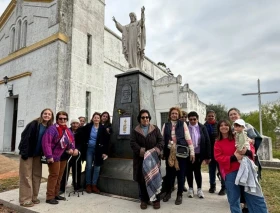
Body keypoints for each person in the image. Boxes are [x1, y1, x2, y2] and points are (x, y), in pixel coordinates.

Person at [214, 119, 268, 213]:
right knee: (233, 198)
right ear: (218, 128)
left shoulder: (238, 136)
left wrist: (246, 152)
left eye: (226, 125)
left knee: (253, 195)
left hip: (245, 171)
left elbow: (251, 149)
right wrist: (233, 158)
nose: (223, 127)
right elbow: (218, 157)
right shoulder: (218, 143)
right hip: (230, 171)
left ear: (229, 126)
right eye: (221, 125)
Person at [228, 107, 263, 212]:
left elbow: (256, 139)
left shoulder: (247, 126)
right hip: (236, 159)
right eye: (231, 115)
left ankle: (249, 204)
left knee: (249, 180)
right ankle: (242, 203)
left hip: (248, 157)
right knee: (239, 181)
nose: (233, 116)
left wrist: (249, 149)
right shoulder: (230, 128)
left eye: (235, 114)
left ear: (239, 115)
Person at [18, 108, 54, 207]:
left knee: (36, 176)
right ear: (42, 114)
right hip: (28, 154)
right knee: (26, 176)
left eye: (49, 114)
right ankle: (25, 199)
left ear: (51, 117)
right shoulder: (34, 124)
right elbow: (24, 137)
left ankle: (34, 197)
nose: (47, 115)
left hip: (38, 155)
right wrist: (24, 152)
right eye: (45, 113)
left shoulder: (49, 127)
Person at [42, 111, 78, 205]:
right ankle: (49, 197)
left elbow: (72, 141)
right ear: (57, 119)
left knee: (60, 176)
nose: (62, 120)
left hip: (63, 156)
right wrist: (49, 156)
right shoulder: (52, 129)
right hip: (54, 156)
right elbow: (46, 143)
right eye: (60, 118)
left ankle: (56, 194)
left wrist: (72, 149)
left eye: (65, 118)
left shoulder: (67, 130)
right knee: (54, 176)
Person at [130, 109, 164, 210]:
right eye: (143, 117)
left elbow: (161, 141)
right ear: (139, 119)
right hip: (140, 159)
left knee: (155, 178)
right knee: (142, 180)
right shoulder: (135, 130)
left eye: (147, 117)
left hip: (153, 159)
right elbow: (132, 143)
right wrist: (142, 152)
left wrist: (154, 150)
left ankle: (156, 200)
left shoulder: (155, 129)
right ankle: (143, 200)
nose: (145, 119)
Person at [162, 107, 195, 205]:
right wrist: (162, 152)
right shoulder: (166, 125)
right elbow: (162, 139)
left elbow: (188, 138)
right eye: (172, 113)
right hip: (169, 153)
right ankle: (168, 193)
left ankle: (179, 195)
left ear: (179, 115)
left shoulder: (183, 124)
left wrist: (192, 152)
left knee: (181, 175)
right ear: (170, 115)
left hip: (181, 153)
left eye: (176, 113)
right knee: (169, 175)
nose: (174, 115)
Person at [78, 112, 109, 194]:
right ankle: (88, 184)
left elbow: (107, 141)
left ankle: (94, 185)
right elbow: (80, 130)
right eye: (95, 117)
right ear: (92, 118)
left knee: (97, 167)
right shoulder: (88, 126)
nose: (96, 119)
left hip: (99, 150)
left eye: (98, 118)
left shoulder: (102, 128)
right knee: (88, 166)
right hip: (89, 149)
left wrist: (105, 152)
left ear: (100, 119)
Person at [185, 111, 211, 199]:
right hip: (188, 153)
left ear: (197, 119)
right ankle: (190, 189)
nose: (192, 121)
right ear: (188, 119)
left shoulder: (202, 127)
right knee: (189, 171)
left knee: (197, 171)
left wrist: (208, 156)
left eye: (194, 119)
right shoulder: (185, 127)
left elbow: (207, 141)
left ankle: (199, 189)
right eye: (190, 119)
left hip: (198, 153)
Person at [204, 110, 226, 195]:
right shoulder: (204, 126)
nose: (210, 117)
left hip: (219, 152)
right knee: (211, 170)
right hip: (210, 152)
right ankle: (212, 186)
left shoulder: (219, 125)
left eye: (212, 116)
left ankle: (224, 187)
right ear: (206, 117)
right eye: (209, 116)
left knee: (221, 170)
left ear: (215, 116)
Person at [60, 119, 82, 194]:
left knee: (77, 170)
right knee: (65, 170)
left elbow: (82, 142)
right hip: (68, 153)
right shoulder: (67, 131)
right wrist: (68, 149)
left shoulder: (81, 132)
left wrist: (77, 149)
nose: (75, 125)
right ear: (71, 124)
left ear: (79, 124)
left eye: (76, 123)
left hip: (77, 153)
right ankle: (62, 187)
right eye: (73, 123)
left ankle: (77, 186)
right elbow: (63, 141)